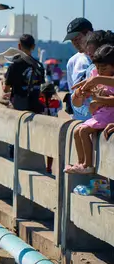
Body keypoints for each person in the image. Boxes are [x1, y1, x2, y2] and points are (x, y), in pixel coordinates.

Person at [67, 44, 114, 174]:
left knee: (83, 131)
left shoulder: (101, 78)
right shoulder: (96, 75)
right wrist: (81, 93)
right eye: (97, 68)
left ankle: (88, 164)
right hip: (100, 114)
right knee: (77, 131)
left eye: (103, 68)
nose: (99, 71)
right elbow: (78, 102)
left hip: (108, 115)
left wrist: (98, 99)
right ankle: (80, 163)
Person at [3, 34, 45, 113]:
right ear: (33, 46)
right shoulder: (39, 65)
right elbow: (40, 89)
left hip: (19, 108)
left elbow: (6, 89)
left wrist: (3, 82)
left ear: (19, 46)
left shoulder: (14, 65)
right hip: (36, 108)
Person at [64, 17, 93, 119]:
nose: (75, 43)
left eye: (77, 38)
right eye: (72, 40)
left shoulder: (107, 56)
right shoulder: (72, 62)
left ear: (89, 34)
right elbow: (73, 94)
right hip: (83, 121)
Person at [39, 83, 62, 174]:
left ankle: (43, 167)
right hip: (53, 128)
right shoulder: (56, 102)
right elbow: (60, 106)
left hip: (42, 127)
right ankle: (49, 168)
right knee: (50, 150)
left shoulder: (40, 101)